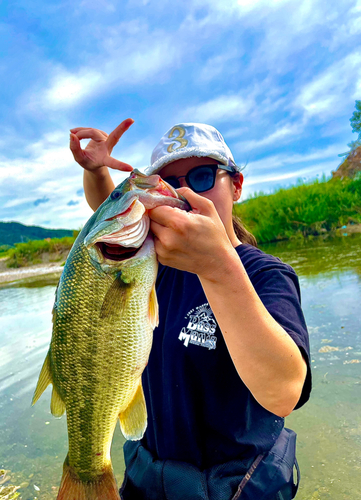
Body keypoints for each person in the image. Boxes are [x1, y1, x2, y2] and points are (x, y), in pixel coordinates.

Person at [69, 119, 312, 500]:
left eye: (201, 176)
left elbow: (283, 393)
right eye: (169, 181)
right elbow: (111, 219)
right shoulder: (154, 261)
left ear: (236, 186)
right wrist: (97, 170)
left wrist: (218, 266)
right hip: (147, 483)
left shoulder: (266, 275)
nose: (184, 191)